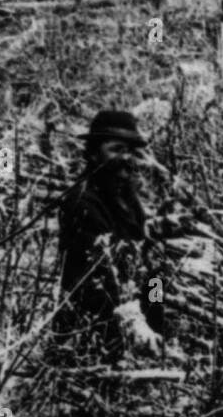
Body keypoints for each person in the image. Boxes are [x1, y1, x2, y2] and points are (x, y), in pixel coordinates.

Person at [56, 110, 164, 354]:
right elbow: (96, 281)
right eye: (116, 149)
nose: (126, 158)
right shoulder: (81, 203)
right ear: (94, 154)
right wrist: (133, 326)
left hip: (135, 329)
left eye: (130, 151)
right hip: (89, 337)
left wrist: (156, 320)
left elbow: (153, 270)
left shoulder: (130, 201)